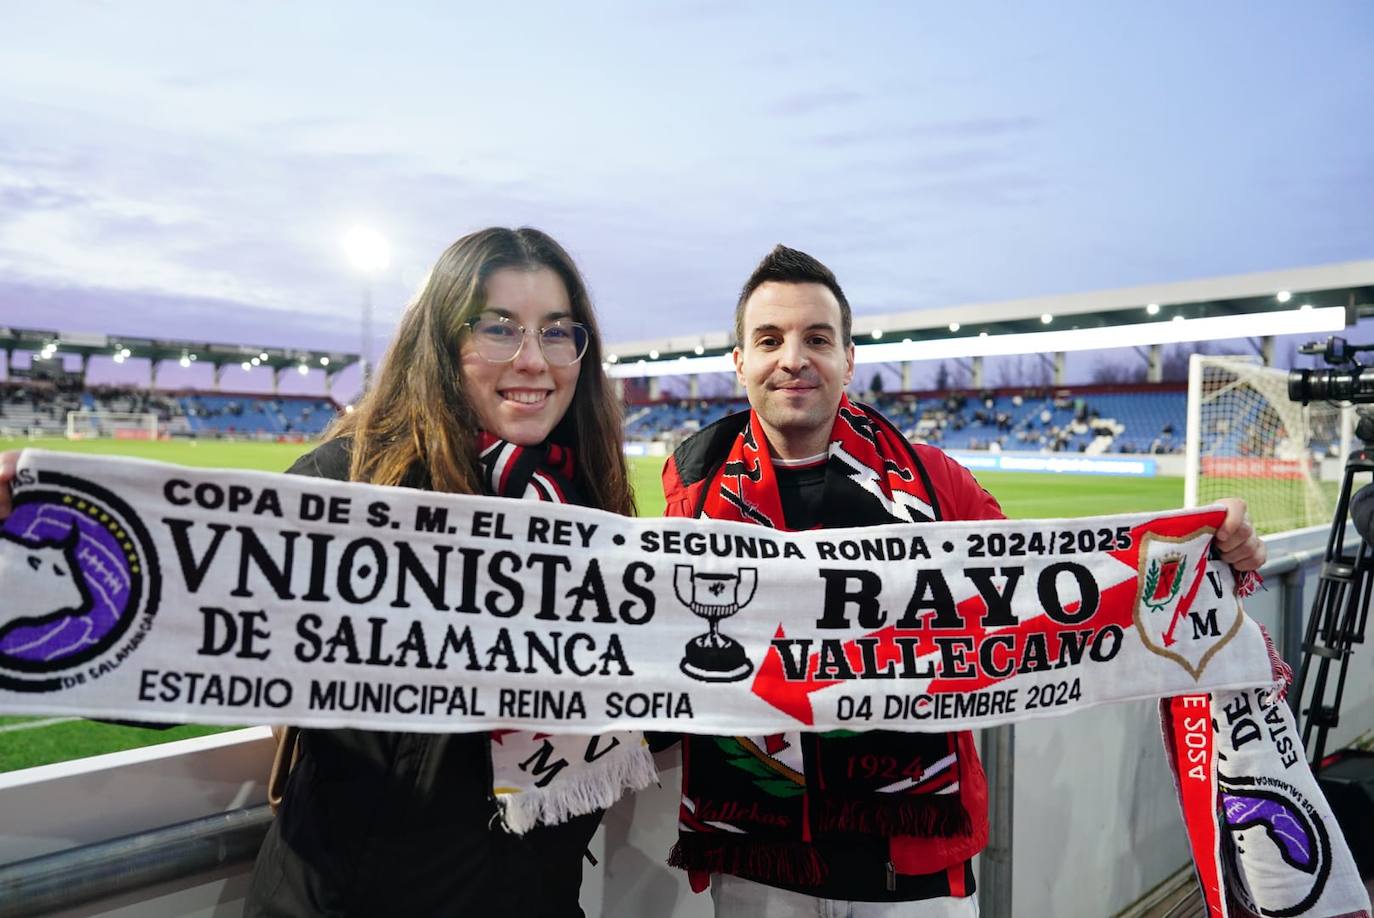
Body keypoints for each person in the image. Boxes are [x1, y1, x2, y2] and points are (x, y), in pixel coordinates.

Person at [0, 227, 633, 916]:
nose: (534, 359)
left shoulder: (594, 510)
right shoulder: (345, 489)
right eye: (499, 329)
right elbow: (184, 642)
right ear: (444, 344)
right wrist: (23, 577)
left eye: (557, 331)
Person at [657, 244, 1266, 917]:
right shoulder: (694, 487)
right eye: (769, 339)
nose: (793, 357)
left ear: (848, 360)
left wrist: (1200, 547)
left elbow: (1051, 579)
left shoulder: (934, 481)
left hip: (912, 870)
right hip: (762, 863)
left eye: (817, 338)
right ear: (740, 361)